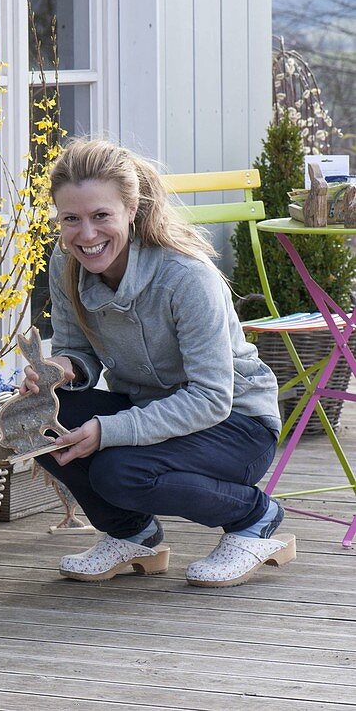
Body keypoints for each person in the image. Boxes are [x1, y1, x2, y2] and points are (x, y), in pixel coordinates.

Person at [24, 139, 296, 588]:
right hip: (154, 413)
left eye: (101, 216)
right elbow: (77, 349)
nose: (86, 235)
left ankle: (253, 516)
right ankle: (134, 534)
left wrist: (109, 431)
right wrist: (61, 371)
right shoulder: (66, 262)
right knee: (38, 422)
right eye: (71, 219)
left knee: (120, 471)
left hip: (236, 426)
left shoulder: (185, 277)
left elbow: (210, 398)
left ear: (131, 210)